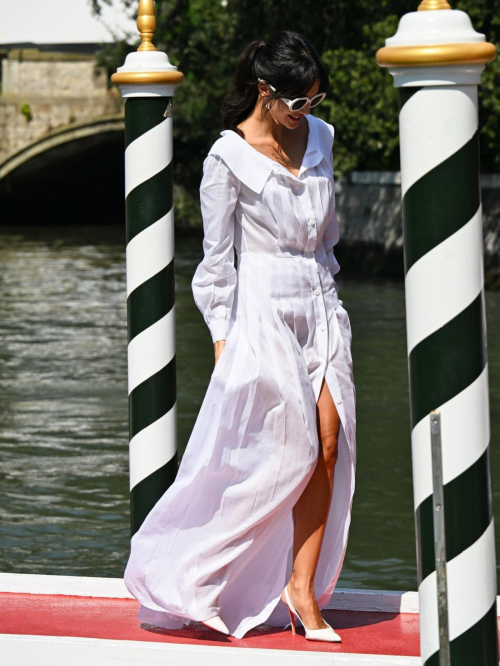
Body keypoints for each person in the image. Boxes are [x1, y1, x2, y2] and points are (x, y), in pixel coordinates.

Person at [123, 29, 356, 643]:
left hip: (320, 301)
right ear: (264, 91)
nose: (309, 113)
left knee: (331, 444)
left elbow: (328, 235)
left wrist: (326, 289)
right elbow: (215, 262)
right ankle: (200, 571)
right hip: (260, 311)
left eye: (316, 99)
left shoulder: (322, 138)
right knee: (282, 459)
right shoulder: (227, 158)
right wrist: (225, 343)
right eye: (298, 102)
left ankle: (301, 589)